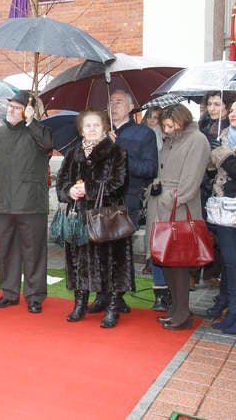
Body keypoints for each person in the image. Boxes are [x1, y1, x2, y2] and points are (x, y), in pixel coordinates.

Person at [56, 110, 133, 328]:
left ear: (105, 128)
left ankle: (112, 307)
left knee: (111, 263)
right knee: (79, 262)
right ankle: (80, 304)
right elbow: (61, 184)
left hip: (106, 218)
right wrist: (70, 192)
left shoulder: (116, 152)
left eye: (96, 125)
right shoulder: (73, 154)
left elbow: (119, 183)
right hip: (79, 217)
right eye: (87, 126)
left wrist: (88, 189)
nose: (91, 129)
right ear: (81, 130)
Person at [0, 90, 53, 313]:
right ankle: (9, 293)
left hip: (31, 204)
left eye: (16, 107)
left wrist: (32, 122)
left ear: (28, 111)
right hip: (2, 203)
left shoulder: (39, 132)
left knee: (34, 252)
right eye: (10, 106)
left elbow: (48, 144)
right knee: (7, 251)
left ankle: (34, 296)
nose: (10, 110)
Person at [145, 104, 210, 331]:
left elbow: (191, 181)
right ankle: (176, 309)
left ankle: (183, 312)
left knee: (180, 264)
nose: (166, 130)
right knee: (169, 263)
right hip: (164, 206)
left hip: (181, 209)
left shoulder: (197, 140)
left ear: (182, 121)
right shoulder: (172, 140)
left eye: (170, 125)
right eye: (164, 126)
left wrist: (171, 198)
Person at [103, 89, 158, 313]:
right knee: (100, 252)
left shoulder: (143, 134)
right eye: (110, 102)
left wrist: (119, 151)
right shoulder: (100, 131)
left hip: (126, 200)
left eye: (118, 102)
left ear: (130, 106)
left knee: (120, 253)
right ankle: (102, 294)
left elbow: (149, 169)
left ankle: (118, 297)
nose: (113, 106)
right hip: (100, 201)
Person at [205, 101, 236, 330]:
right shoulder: (224, 135)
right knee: (228, 262)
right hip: (224, 209)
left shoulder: (226, 146)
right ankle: (227, 305)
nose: (233, 114)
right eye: (232, 110)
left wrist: (224, 156)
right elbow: (211, 169)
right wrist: (213, 153)